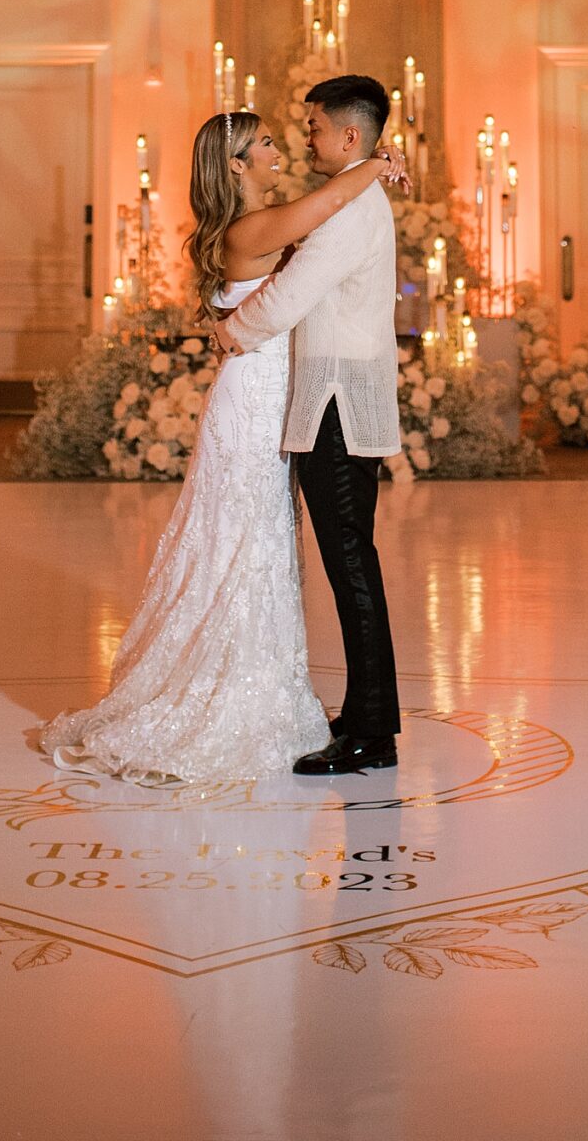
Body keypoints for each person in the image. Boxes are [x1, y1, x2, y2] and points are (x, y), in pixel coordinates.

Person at [36, 106, 405, 791]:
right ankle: (232, 703)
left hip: (268, 400)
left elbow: (323, 213)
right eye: (263, 143)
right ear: (235, 165)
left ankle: (262, 696)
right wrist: (379, 163)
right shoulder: (255, 226)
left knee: (255, 552)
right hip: (254, 408)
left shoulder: (255, 222)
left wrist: (370, 166)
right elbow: (328, 201)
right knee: (242, 549)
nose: (279, 148)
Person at [213, 74, 403, 779]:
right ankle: (364, 715)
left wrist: (235, 330)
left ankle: (373, 733)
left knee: (351, 564)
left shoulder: (350, 209)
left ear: (349, 136)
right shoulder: (356, 193)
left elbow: (292, 293)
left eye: (315, 127)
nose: (306, 138)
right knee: (350, 560)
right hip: (335, 400)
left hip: (336, 406)